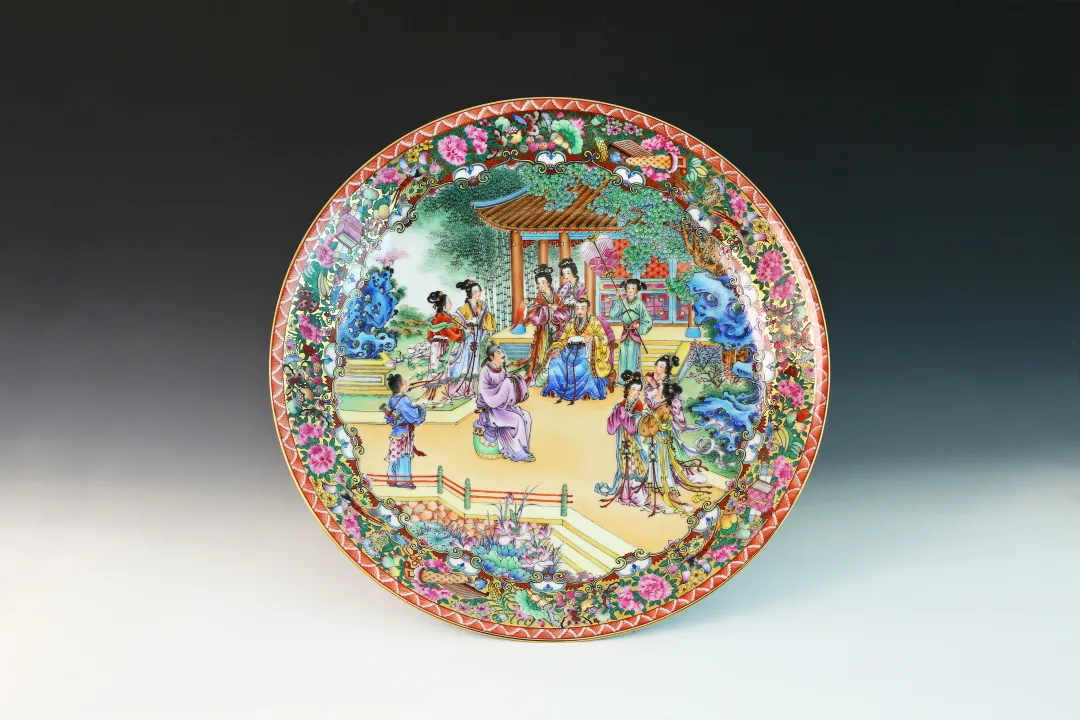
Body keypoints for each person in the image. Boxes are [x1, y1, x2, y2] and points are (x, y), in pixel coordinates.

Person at [638, 382, 710, 516]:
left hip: (660, 445)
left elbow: (655, 426)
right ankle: (657, 500)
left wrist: (650, 418)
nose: (655, 391)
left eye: (659, 390)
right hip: (657, 445)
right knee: (658, 470)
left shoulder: (663, 407)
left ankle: (663, 500)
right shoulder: (661, 407)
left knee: (661, 470)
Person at [543, 297, 612, 405]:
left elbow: (603, 339)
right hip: (568, 352)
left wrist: (592, 339)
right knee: (554, 363)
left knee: (582, 367)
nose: (579, 311)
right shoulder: (571, 323)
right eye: (577, 308)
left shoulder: (595, 322)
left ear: (587, 309)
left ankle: (587, 390)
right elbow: (563, 340)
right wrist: (557, 349)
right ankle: (555, 388)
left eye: (582, 308)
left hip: (585, 353)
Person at [596, 371, 649, 510]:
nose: (636, 393)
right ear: (627, 390)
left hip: (633, 440)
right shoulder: (621, 404)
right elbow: (613, 423)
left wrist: (627, 415)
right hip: (623, 438)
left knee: (635, 464)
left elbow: (635, 424)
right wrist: (620, 413)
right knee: (624, 463)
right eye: (634, 389)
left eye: (638, 390)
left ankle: (636, 494)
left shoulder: (638, 405)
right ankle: (625, 495)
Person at [474, 343, 535, 462]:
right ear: (491, 357)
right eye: (499, 352)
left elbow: (509, 387)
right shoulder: (485, 371)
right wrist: (505, 387)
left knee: (526, 417)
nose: (503, 354)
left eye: (502, 352)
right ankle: (517, 452)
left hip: (503, 406)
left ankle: (524, 448)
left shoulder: (502, 370)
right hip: (490, 410)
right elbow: (485, 394)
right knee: (517, 420)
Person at [519, 265, 569, 386]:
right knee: (543, 351)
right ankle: (542, 375)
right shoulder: (540, 297)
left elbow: (565, 313)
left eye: (543, 282)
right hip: (544, 330)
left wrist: (556, 309)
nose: (540, 285)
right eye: (538, 283)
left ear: (548, 282)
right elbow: (534, 316)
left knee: (557, 350)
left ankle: (555, 374)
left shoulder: (556, 296)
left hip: (557, 329)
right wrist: (548, 308)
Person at [447, 279, 496, 399]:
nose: (478, 293)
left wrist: (480, 318)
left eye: (479, 290)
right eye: (475, 291)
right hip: (468, 338)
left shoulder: (482, 305)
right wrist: (467, 325)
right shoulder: (465, 307)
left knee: (475, 362)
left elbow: (488, 321)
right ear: (470, 293)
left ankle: (470, 389)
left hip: (477, 336)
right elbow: (456, 319)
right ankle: (459, 389)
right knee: (465, 361)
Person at [419, 290, 464, 407]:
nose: (451, 303)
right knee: (441, 370)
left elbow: (430, 334)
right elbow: (453, 333)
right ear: (444, 305)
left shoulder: (437, 316)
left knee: (435, 368)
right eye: (449, 301)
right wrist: (461, 331)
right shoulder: (444, 317)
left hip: (435, 346)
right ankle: (440, 397)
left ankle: (434, 396)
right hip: (441, 345)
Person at [383, 373, 427, 489]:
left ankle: (392, 479)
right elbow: (412, 415)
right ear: (400, 384)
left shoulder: (392, 399)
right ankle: (404, 481)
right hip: (404, 432)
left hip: (396, 431)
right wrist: (420, 409)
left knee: (395, 454)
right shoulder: (404, 399)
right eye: (404, 380)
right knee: (404, 454)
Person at [607, 278, 653, 377]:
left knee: (632, 356)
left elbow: (647, 320)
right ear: (625, 289)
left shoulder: (639, 303)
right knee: (623, 355)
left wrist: (639, 325)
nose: (630, 290)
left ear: (637, 290)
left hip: (634, 334)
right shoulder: (622, 301)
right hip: (625, 334)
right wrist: (616, 300)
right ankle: (622, 379)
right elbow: (613, 314)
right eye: (628, 288)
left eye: (633, 288)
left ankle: (632, 380)